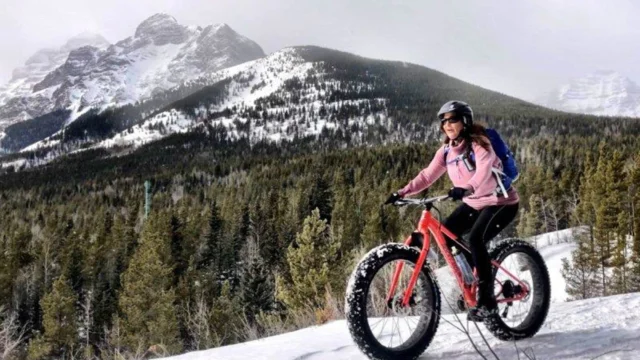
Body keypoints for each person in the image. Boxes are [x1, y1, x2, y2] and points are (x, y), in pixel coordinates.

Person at [385, 100, 520, 320]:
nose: (447, 124)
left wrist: (467, 188)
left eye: (453, 119)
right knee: (446, 237)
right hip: (475, 202)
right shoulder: (447, 150)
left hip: (500, 202)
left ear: (465, 121)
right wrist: (402, 192)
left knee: (476, 239)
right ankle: (472, 282)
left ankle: (487, 303)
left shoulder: (479, 143)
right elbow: (427, 176)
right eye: (444, 120)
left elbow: (484, 170)